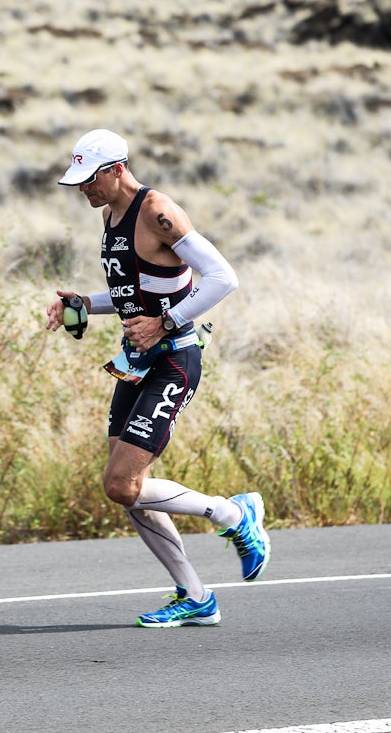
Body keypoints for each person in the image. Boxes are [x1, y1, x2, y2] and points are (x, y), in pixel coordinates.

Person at [46, 128, 270, 627]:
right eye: (78, 181)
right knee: (125, 485)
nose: (84, 190)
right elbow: (136, 297)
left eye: (89, 180)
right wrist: (83, 303)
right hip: (136, 361)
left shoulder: (159, 212)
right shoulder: (110, 214)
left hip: (174, 357)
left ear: (117, 170)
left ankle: (233, 515)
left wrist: (165, 322)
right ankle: (195, 595)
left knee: (122, 485)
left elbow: (223, 278)